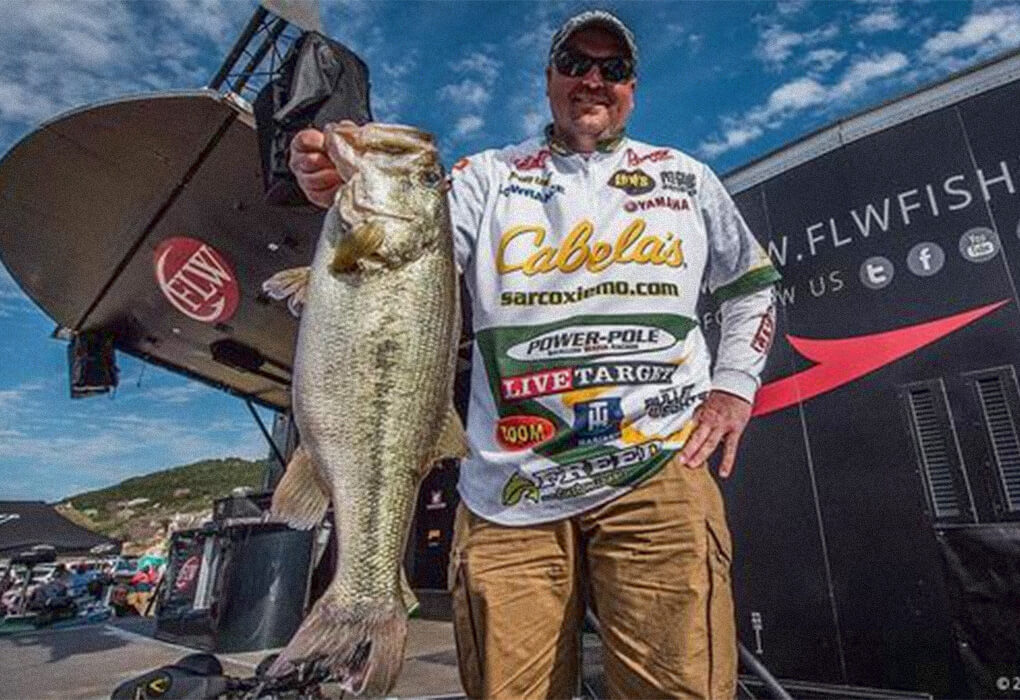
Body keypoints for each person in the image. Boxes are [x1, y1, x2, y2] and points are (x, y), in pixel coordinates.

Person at [288, 9, 779, 699]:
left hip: (657, 471)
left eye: (613, 69)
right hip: (509, 490)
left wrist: (732, 387)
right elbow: (401, 255)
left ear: (633, 88)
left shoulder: (686, 178)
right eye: (576, 63)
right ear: (549, 77)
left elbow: (753, 287)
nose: (593, 80)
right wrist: (333, 186)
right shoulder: (486, 178)